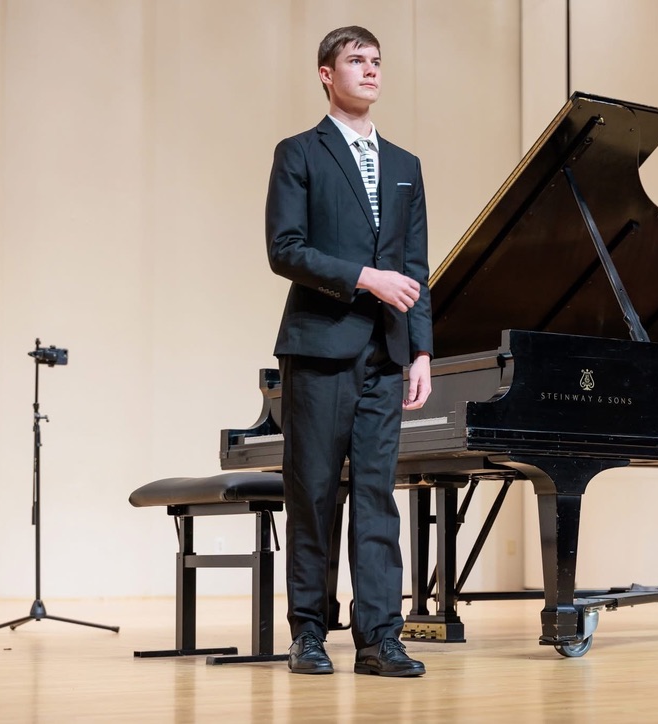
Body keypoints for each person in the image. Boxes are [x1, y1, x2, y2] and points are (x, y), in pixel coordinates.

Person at [265, 25, 433, 677]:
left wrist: (421, 352)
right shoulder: (298, 153)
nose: (370, 70)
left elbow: (415, 268)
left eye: (377, 61)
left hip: (386, 354)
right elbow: (285, 250)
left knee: (376, 498)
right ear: (326, 75)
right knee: (311, 494)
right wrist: (365, 278)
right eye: (356, 60)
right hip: (318, 349)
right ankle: (308, 633)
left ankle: (379, 638)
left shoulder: (406, 166)